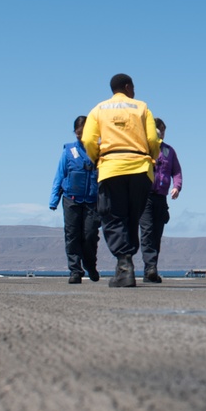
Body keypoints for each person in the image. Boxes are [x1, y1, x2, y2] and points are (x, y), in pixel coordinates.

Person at [82, 74, 161, 287]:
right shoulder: (142, 107)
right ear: (127, 86)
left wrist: (98, 157)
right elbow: (153, 139)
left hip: (111, 169)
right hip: (140, 168)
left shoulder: (98, 109)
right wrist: (152, 157)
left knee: (113, 218)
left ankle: (124, 265)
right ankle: (125, 266)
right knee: (131, 219)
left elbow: (88, 139)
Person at [49, 116, 100, 284]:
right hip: (71, 199)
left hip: (92, 201)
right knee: (72, 235)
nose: (81, 136)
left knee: (90, 235)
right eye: (78, 134)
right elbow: (59, 175)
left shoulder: (99, 152)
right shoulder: (68, 151)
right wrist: (54, 199)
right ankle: (75, 271)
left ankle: (90, 265)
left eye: (84, 133)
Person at [139, 118, 183, 283]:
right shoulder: (143, 148)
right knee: (147, 232)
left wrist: (177, 186)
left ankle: (150, 271)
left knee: (157, 235)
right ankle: (150, 268)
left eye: (163, 132)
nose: (161, 135)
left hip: (161, 198)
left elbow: (176, 171)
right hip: (146, 196)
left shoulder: (169, 151)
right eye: (158, 132)